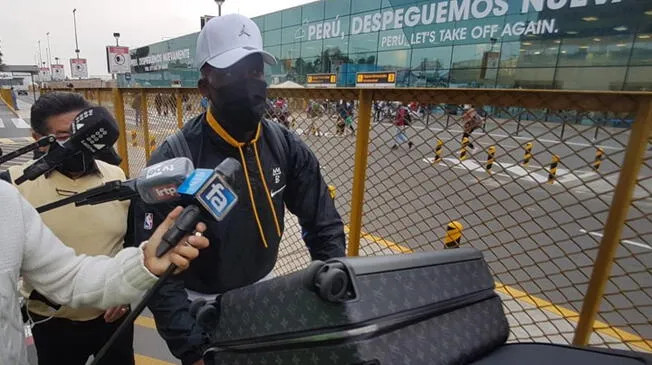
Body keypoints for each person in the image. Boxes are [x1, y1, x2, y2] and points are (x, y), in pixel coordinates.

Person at [133, 14, 346, 365]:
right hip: (199, 302)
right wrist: (191, 349)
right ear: (205, 86)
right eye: (231, 73)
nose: (250, 83)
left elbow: (323, 225)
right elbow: (158, 271)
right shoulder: (175, 158)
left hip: (265, 289)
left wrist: (330, 285)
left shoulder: (286, 145)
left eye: (255, 70)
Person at [0, 180, 209, 365]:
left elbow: (69, 277)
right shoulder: (16, 183)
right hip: (51, 324)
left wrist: (144, 263)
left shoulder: (6, 199)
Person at [0, 92, 139, 365]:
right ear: (37, 139)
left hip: (114, 317)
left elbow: (131, 241)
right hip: (53, 323)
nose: (80, 144)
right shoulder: (12, 187)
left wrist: (126, 293)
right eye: (66, 136)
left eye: (84, 133)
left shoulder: (117, 176)